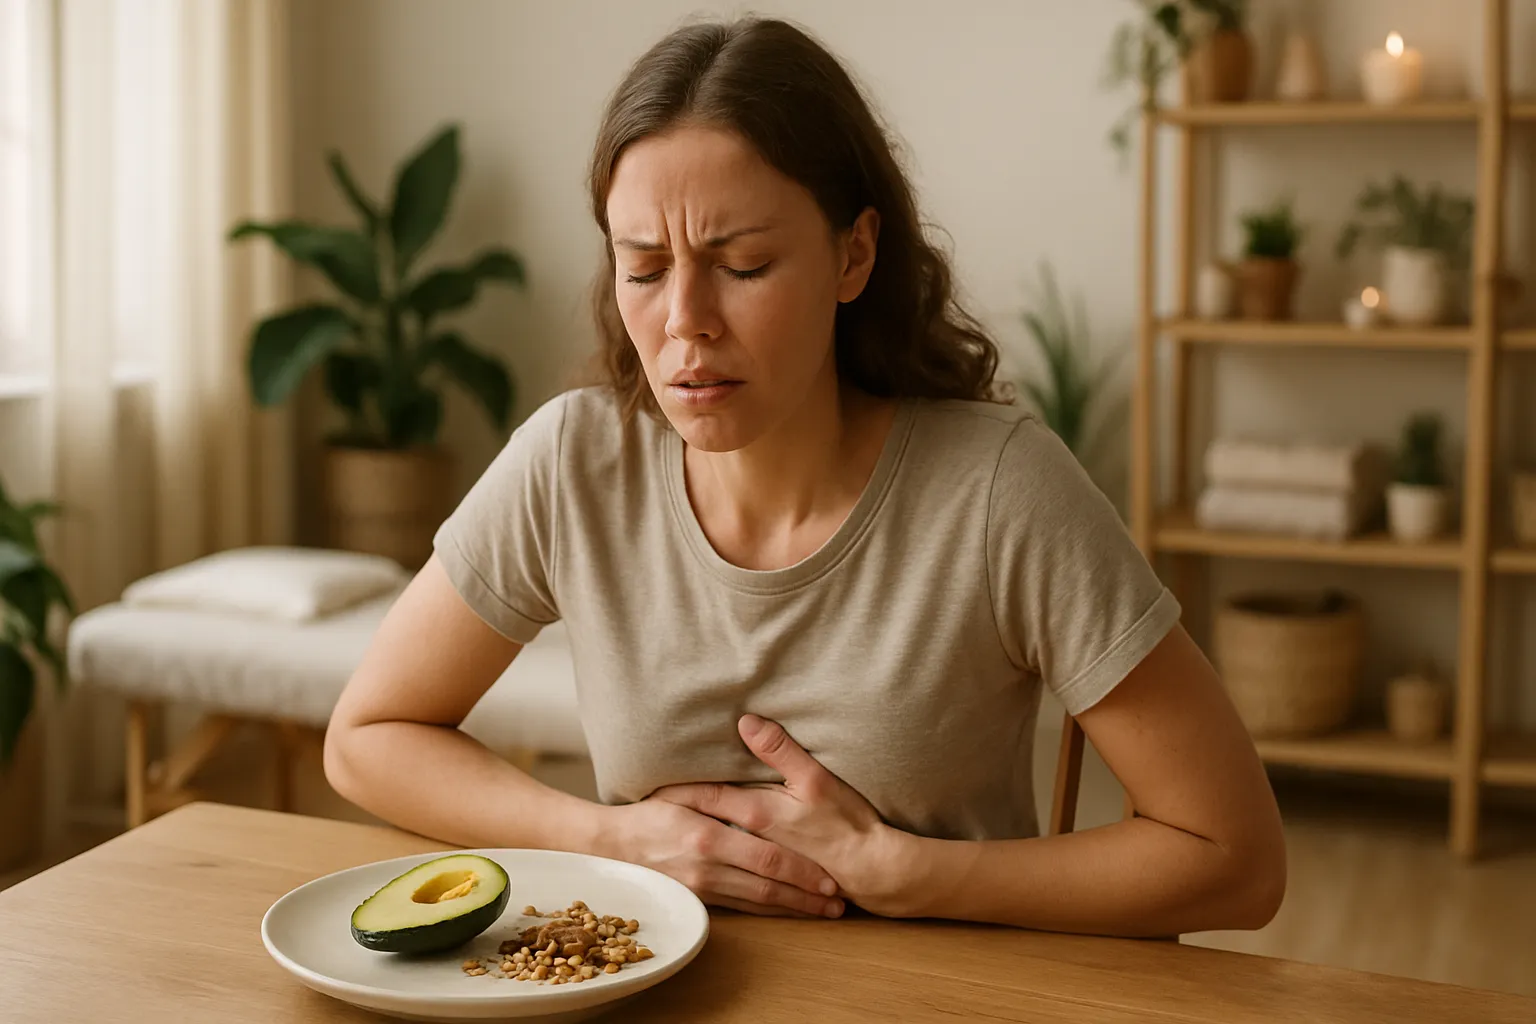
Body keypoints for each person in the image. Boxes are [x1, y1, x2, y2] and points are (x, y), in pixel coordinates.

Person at [325, 15, 1285, 938]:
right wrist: (613, 841)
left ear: (852, 255)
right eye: (644, 268)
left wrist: (907, 872)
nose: (685, 320)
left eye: (742, 265)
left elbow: (1236, 858)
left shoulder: (1001, 490)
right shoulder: (573, 463)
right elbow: (368, 738)